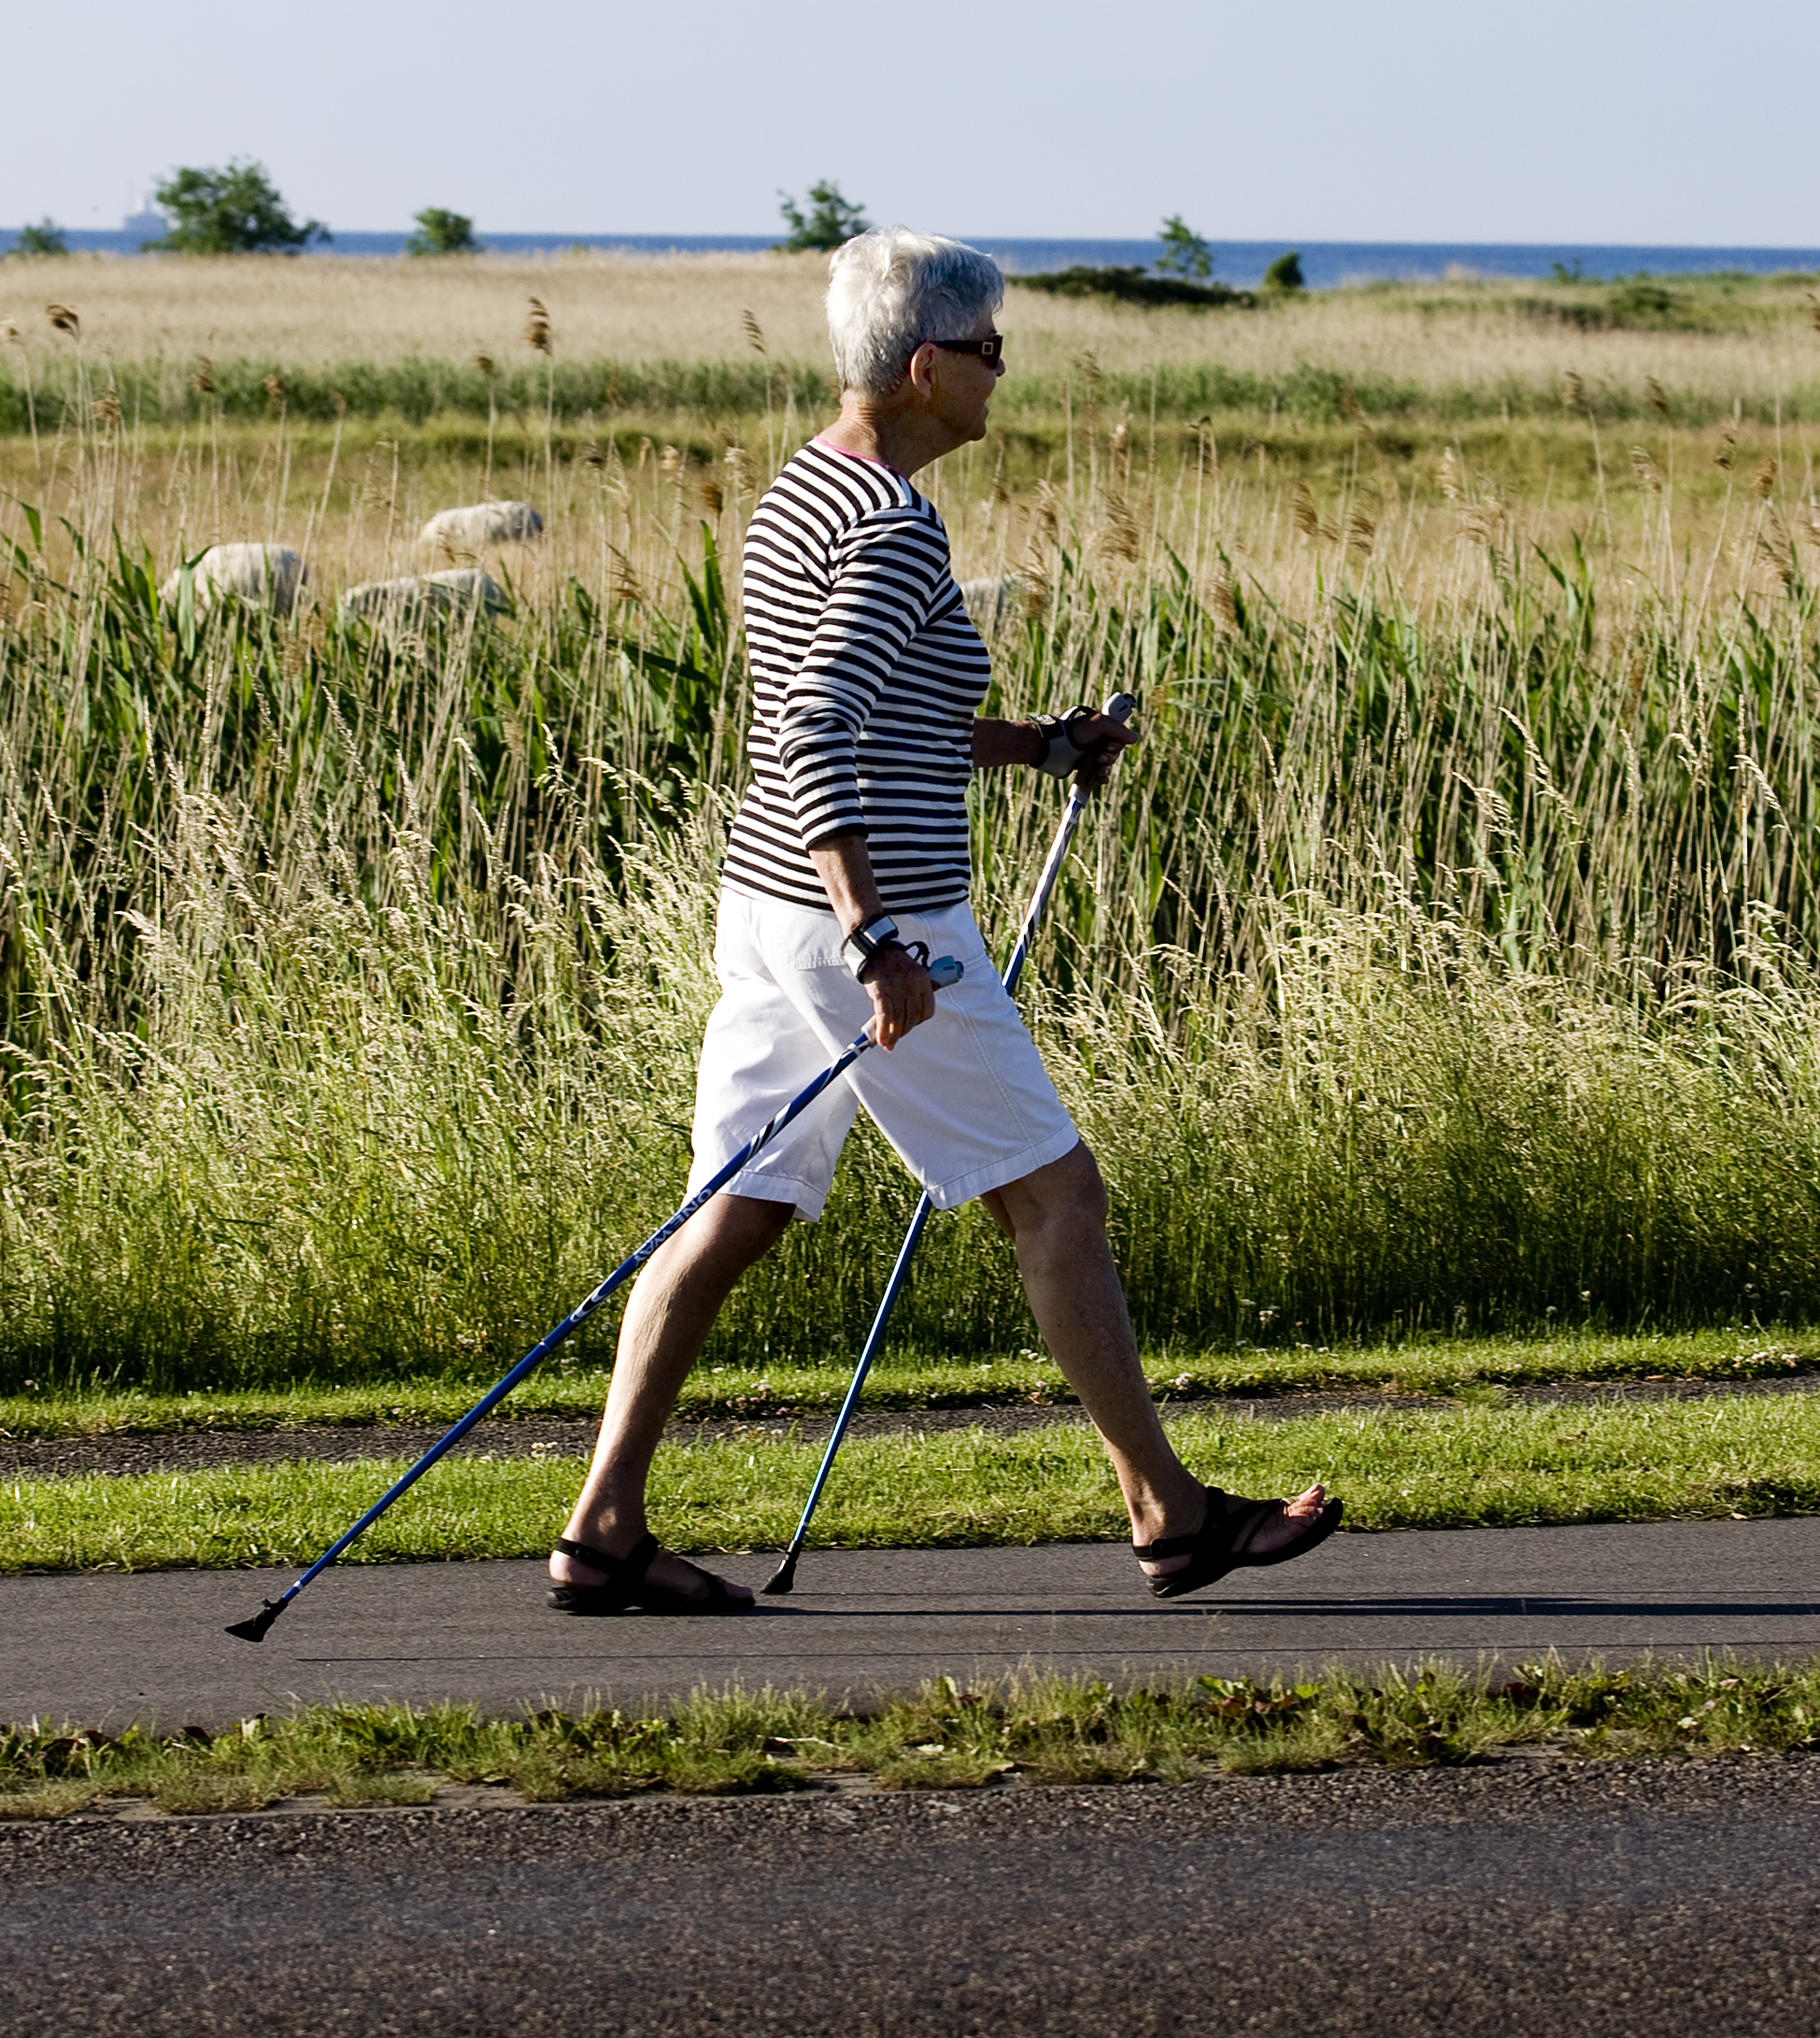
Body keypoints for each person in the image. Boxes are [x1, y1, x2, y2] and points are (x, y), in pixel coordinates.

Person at [551, 228, 1343, 1614]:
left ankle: (603, 1525)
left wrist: (1035, 746)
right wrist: (875, 938)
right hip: (878, 928)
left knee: (732, 1208)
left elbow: (882, 716)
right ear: (925, 368)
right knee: (1056, 1198)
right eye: (988, 353)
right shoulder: (893, 524)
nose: (1000, 376)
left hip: (769, 909)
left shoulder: (802, 491)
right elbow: (814, 725)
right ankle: (1169, 1515)